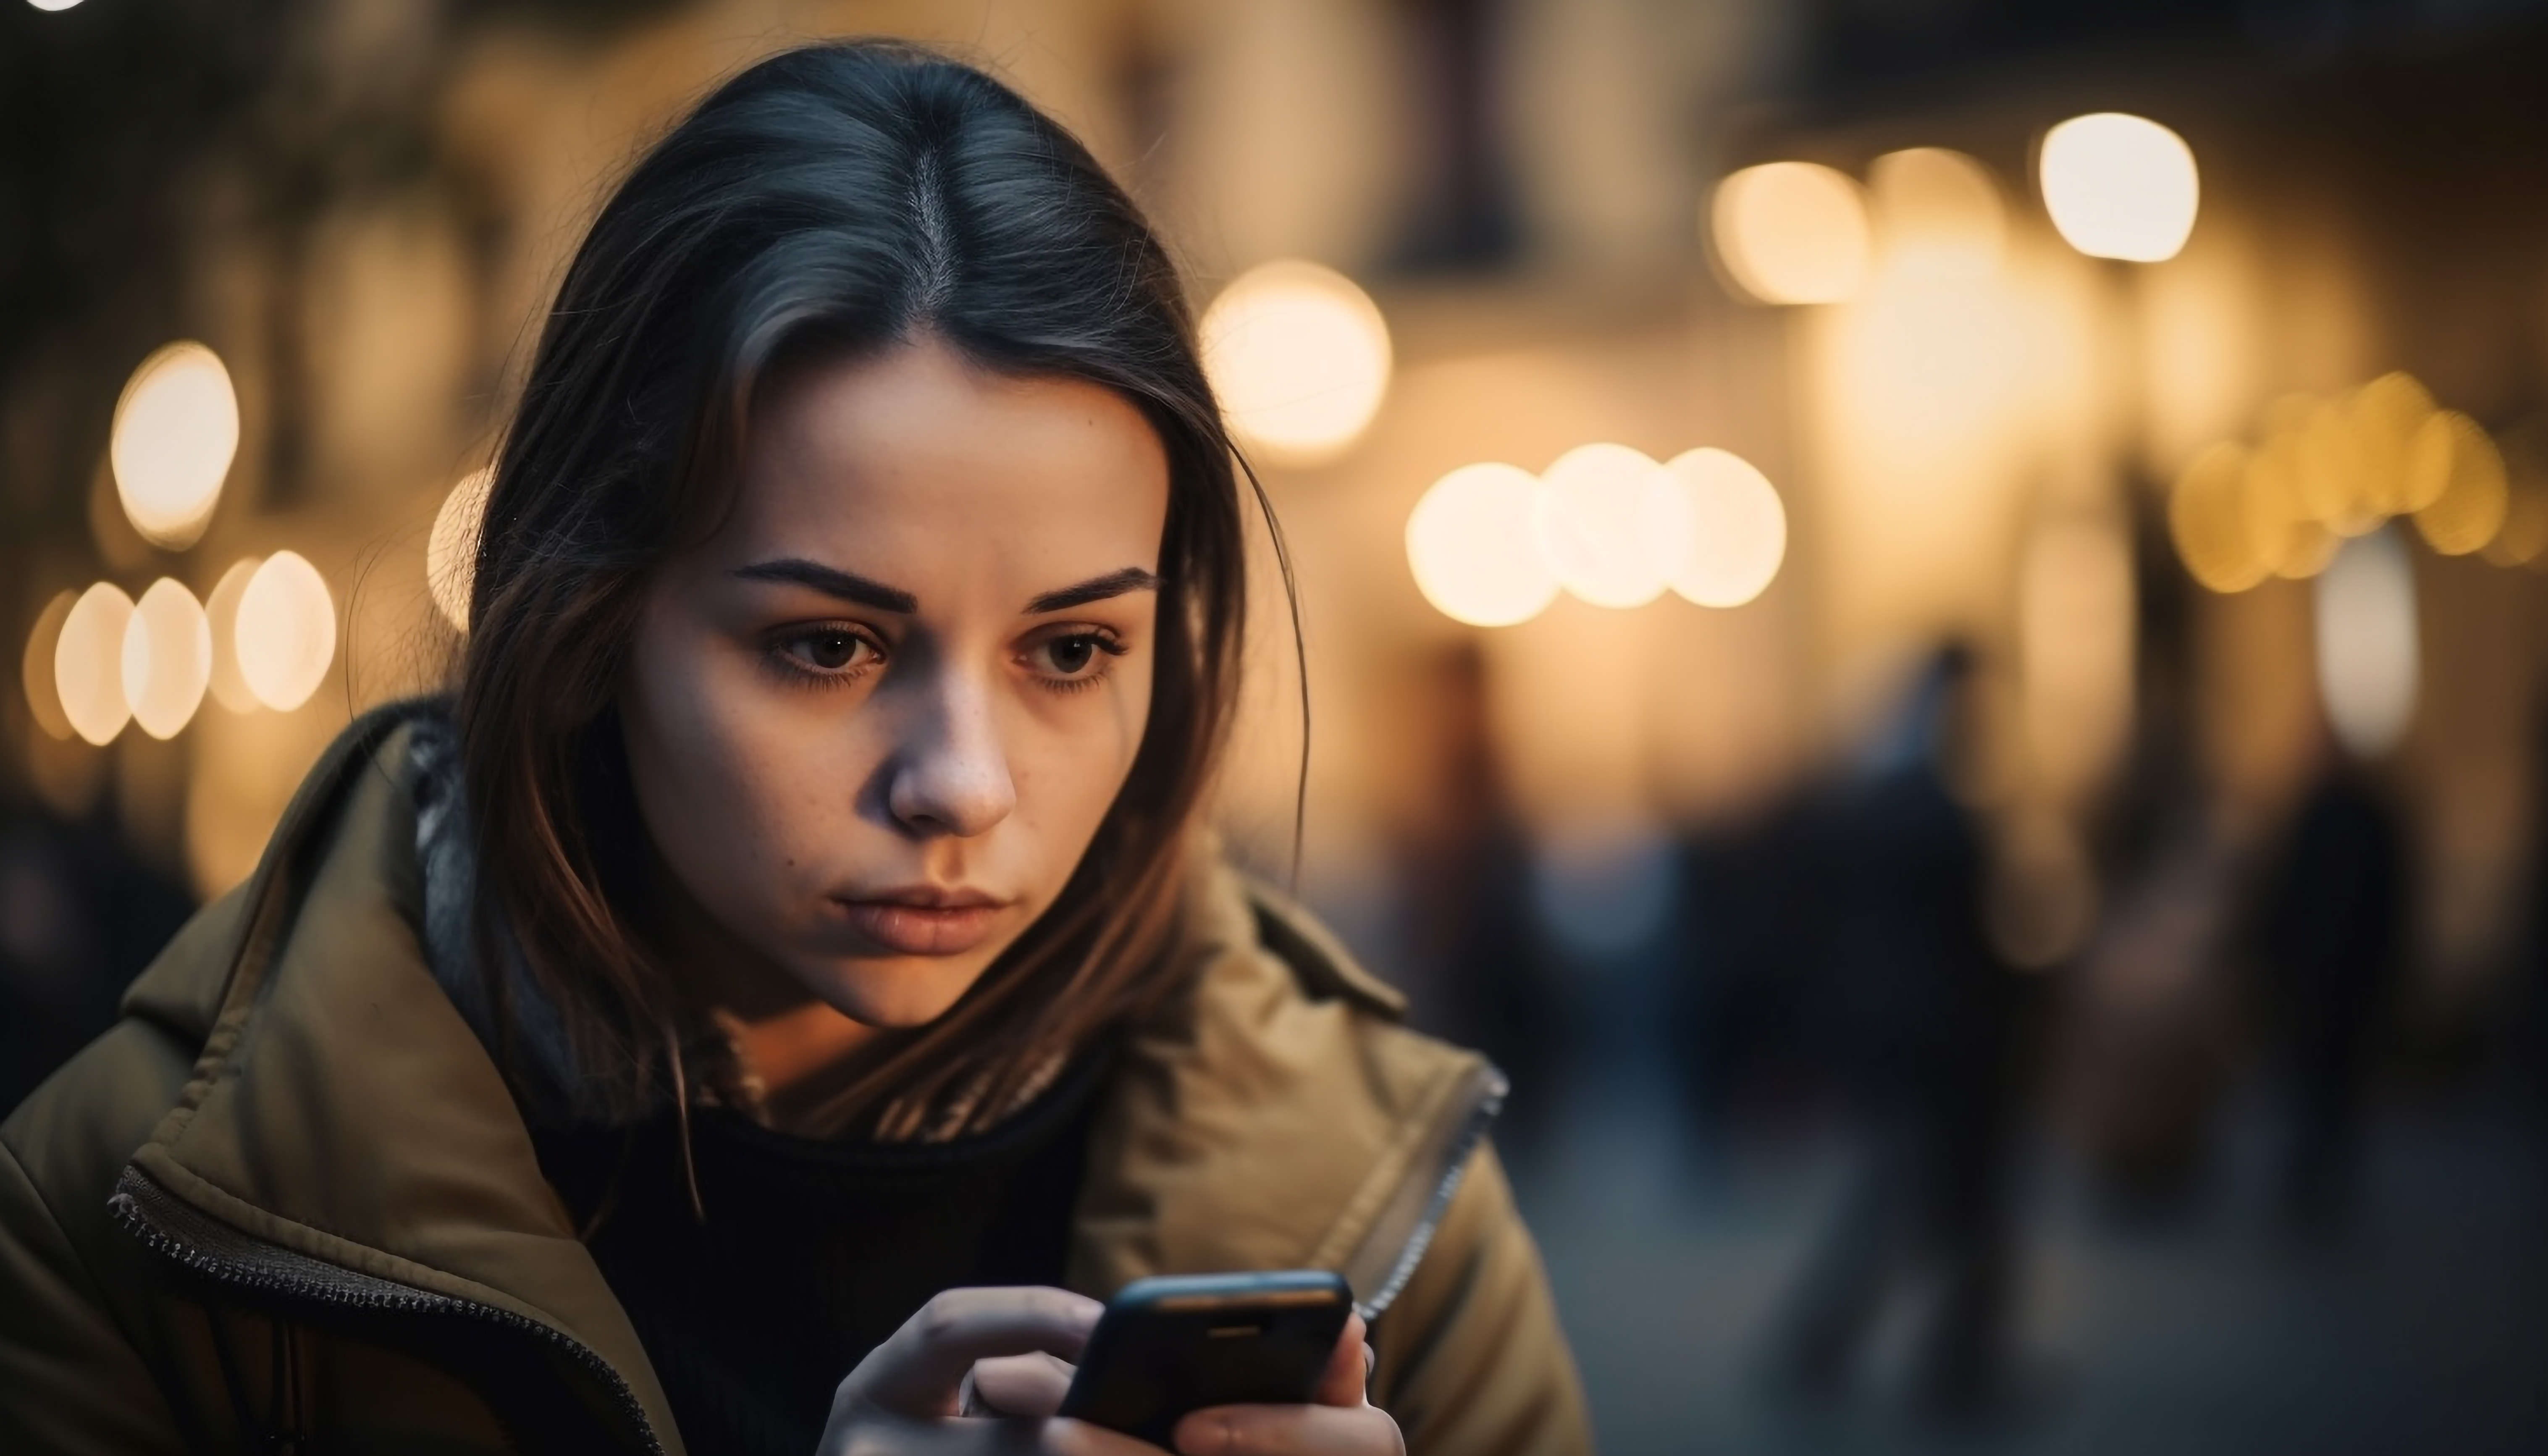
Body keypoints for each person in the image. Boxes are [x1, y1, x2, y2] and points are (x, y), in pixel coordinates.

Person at [0, 41, 1587, 1456]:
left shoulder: (1376, 1194)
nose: (960, 782)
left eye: (1071, 648)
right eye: (829, 646)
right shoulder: (123, 1219)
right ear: (587, 619)